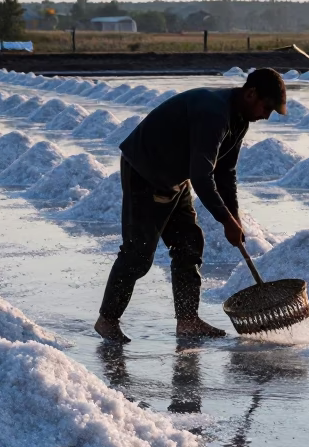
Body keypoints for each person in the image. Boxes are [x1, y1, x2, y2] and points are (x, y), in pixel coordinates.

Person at [95, 67, 287, 343]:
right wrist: (224, 220)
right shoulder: (214, 114)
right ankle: (107, 319)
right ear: (251, 93)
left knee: (188, 243)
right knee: (138, 255)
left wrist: (234, 217)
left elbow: (224, 172)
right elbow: (201, 176)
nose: (266, 116)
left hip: (176, 175)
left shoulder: (241, 120)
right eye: (266, 107)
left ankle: (188, 320)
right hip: (146, 170)